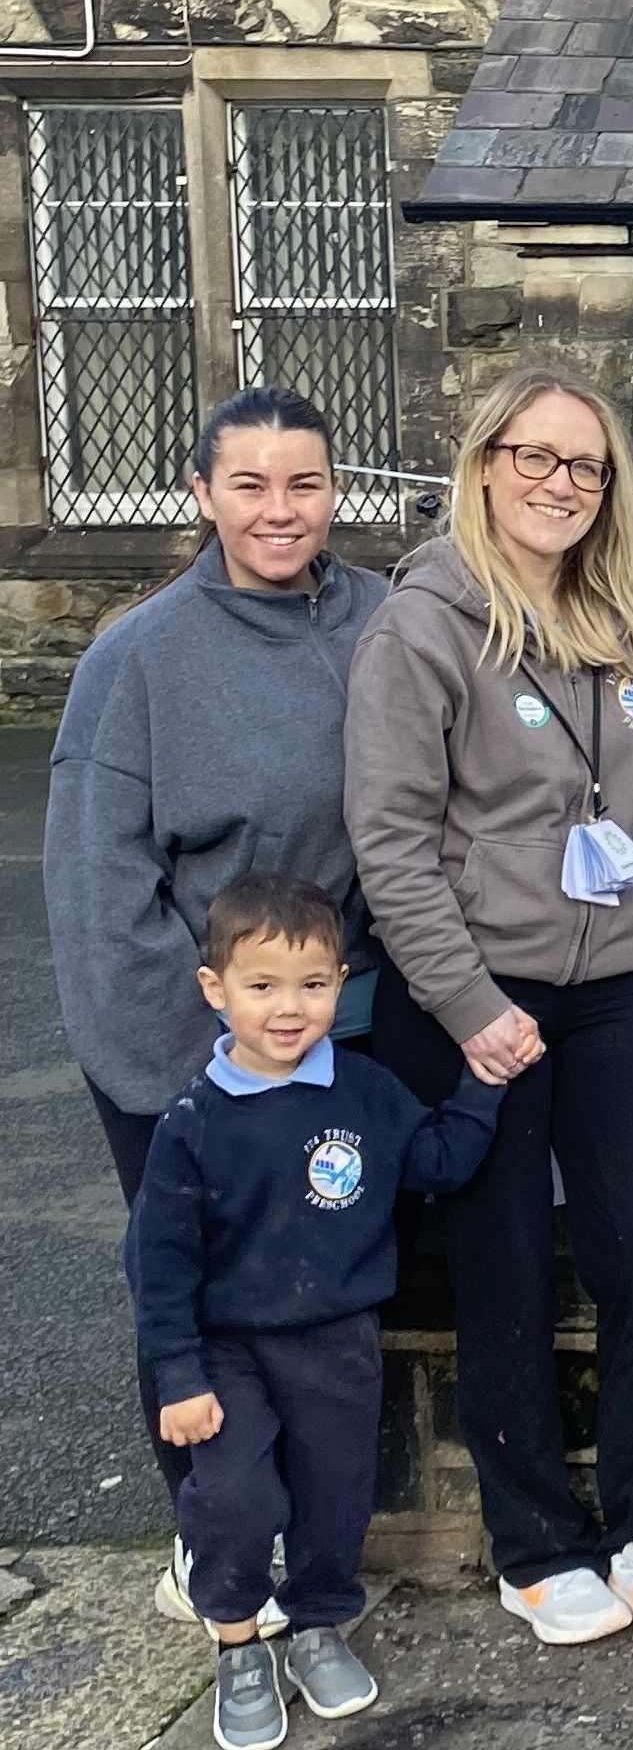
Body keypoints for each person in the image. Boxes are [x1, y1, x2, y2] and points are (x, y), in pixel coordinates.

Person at [346, 367, 633, 1654]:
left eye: (586, 467)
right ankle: (536, 1549)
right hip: (470, 1001)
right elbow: (390, 839)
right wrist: (469, 1002)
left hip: (607, 997)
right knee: (504, 1277)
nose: (560, 484)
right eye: (535, 458)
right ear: (484, 465)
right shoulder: (420, 629)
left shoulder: (626, 623)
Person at [43, 387, 389, 1623]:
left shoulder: (381, 623)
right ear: (202, 495)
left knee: (317, 1288)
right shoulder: (135, 659)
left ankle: (316, 1528)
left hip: (340, 1020)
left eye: (303, 483)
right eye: (249, 485)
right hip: (194, 1039)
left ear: (334, 489)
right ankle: (211, 1534)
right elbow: (99, 887)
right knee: (195, 1295)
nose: (279, 510)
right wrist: (207, 1060)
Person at [126, 870, 503, 1750]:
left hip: (337, 1341)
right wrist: (177, 1374)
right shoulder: (192, 1121)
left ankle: (318, 1627)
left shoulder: (366, 1094)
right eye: (261, 986)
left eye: (312, 984)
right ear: (215, 990)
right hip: (225, 1351)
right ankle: (237, 1643)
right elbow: (161, 1262)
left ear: (342, 981)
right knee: (235, 1497)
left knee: (336, 1500)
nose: (287, 1008)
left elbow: (439, 1162)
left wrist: (485, 1085)